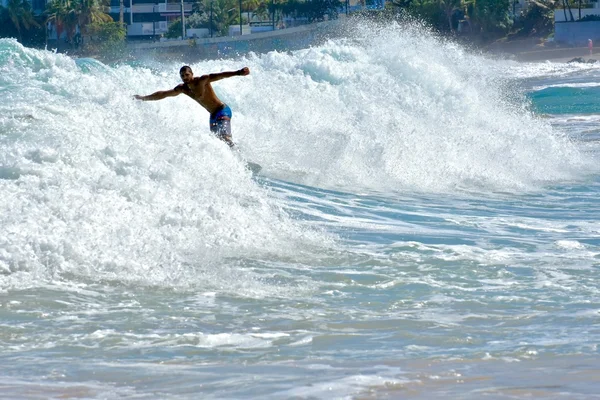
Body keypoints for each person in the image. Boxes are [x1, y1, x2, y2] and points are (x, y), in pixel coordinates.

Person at [134, 65, 250, 147]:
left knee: (225, 137)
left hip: (222, 110)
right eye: (182, 76)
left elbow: (220, 75)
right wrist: (144, 98)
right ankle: (233, 158)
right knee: (218, 141)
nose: (185, 77)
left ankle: (239, 155)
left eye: (187, 75)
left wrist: (238, 72)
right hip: (213, 115)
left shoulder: (202, 80)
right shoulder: (183, 89)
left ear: (192, 74)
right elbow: (164, 94)